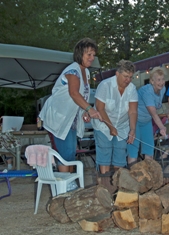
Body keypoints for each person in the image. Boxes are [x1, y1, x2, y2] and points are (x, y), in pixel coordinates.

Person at [39, 38, 102, 190]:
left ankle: (67, 183)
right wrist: (90, 109)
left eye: (93, 55)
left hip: (71, 118)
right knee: (65, 153)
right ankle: (64, 186)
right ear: (80, 54)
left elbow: (82, 96)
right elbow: (74, 93)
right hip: (59, 116)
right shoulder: (73, 70)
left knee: (70, 152)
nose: (92, 58)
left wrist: (84, 112)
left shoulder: (85, 72)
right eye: (89, 54)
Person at [91, 60, 138, 174]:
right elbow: (100, 108)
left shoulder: (132, 89)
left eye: (131, 77)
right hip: (103, 126)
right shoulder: (105, 85)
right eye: (126, 76)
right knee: (105, 155)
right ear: (117, 74)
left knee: (120, 156)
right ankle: (104, 183)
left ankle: (119, 184)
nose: (128, 80)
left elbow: (132, 111)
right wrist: (111, 127)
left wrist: (132, 129)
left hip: (122, 127)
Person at [127, 67, 167, 165]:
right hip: (134, 121)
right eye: (158, 80)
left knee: (149, 149)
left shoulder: (163, 89)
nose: (161, 82)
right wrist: (162, 127)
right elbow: (153, 113)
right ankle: (132, 175)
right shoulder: (147, 92)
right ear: (152, 81)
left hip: (146, 121)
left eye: (162, 79)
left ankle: (149, 175)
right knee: (133, 149)